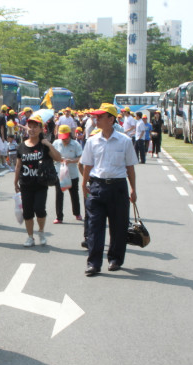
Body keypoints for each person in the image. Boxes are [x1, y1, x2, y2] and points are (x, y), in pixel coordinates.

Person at [80, 103, 137, 276]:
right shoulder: (92, 140)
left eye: (100, 116)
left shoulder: (125, 141)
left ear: (111, 119)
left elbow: (130, 168)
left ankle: (115, 259)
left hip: (118, 187)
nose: (96, 119)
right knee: (94, 226)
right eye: (95, 116)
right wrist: (84, 185)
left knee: (118, 226)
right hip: (97, 186)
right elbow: (87, 165)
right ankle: (94, 263)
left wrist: (133, 189)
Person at [13, 114, 63, 247]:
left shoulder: (44, 145)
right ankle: (30, 237)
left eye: (36, 127)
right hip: (25, 184)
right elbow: (18, 165)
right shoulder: (21, 146)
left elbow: (58, 158)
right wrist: (15, 182)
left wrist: (49, 145)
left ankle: (41, 231)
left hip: (41, 183)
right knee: (28, 212)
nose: (32, 129)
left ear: (42, 129)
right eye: (30, 126)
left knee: (40, 209)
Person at [52, 125, 82, 224]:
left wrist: (72, 161)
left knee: (74, 194)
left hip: (72, 173)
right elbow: (51, 155)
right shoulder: (56, 143)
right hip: (59, 173)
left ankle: (77, 213)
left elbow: (80, 158)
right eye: (62, 138)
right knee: (59, 195)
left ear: (70, 135)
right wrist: (57, 159)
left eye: (66, 138)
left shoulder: (75, 144)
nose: (64, 140)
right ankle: (59, 216)